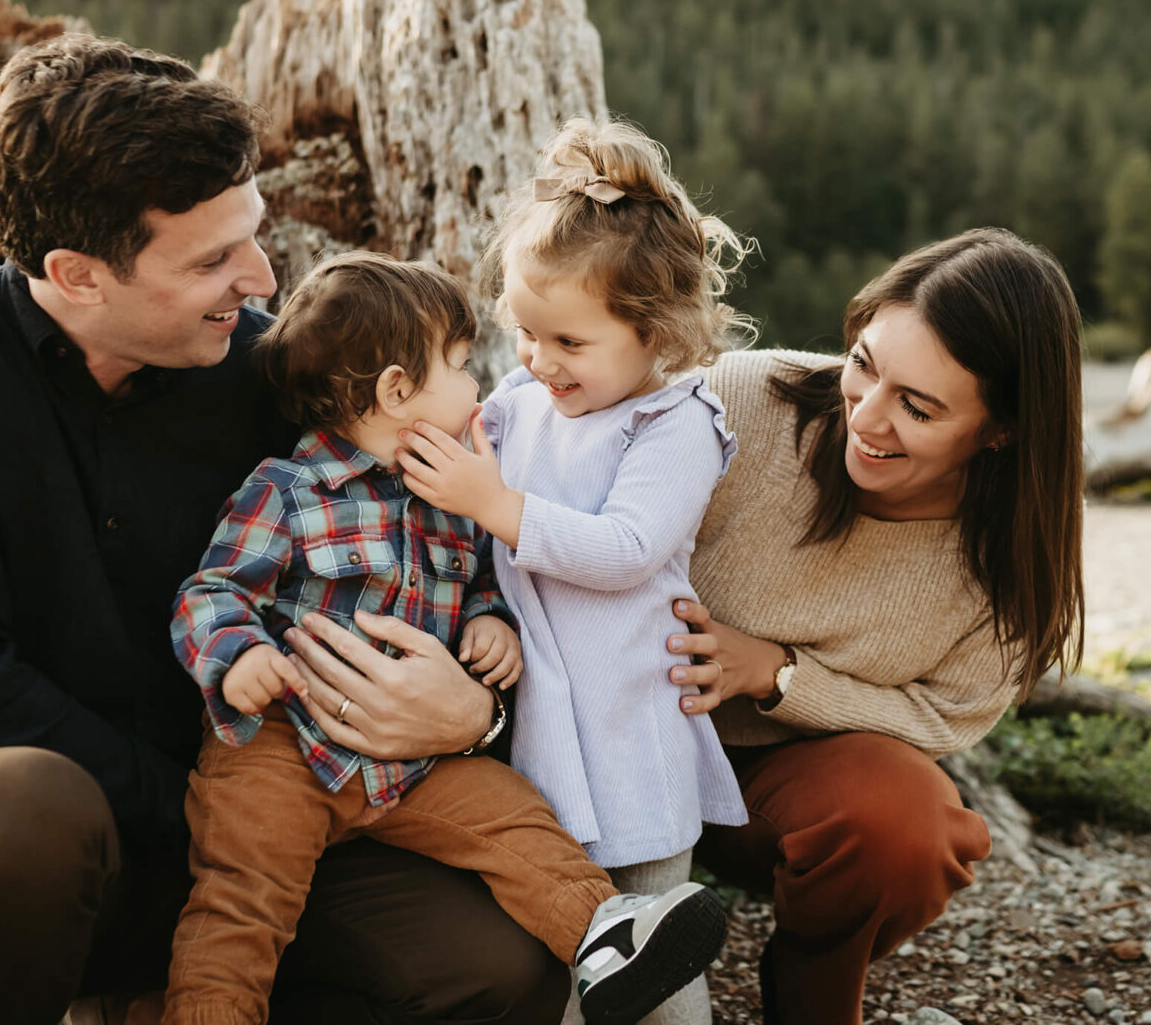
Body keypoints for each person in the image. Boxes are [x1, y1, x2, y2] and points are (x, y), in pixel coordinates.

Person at [0, 34, 568, 1025]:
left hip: (274, 819)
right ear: (77, 273)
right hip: (50, 844)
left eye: (252, 236)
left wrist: (468, 717)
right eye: (215, 257)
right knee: (13, 816)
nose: (261, 278)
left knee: (494, 965)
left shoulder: (278, 378)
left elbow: (426, 570)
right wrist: (205, 813)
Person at [163, 250, 727, 1025]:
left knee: (513, 816)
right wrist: (238, 658)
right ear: (398, 390)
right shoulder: (288, 493)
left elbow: (477, 581)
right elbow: (211, 591)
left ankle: (604, 933)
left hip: (411, 762)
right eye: (462, 365)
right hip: (282, 745)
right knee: (242, 898)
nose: (482, 385)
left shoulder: (451, 490)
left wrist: (488, 621)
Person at [667, 228, 1088, 1025]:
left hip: (770, 792)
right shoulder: (741, 399)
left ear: (999, 430)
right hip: (610, 729)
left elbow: (944, 716)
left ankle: (811, 991)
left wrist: (780, 674)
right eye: (864, 364)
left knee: (910, 827)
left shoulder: (1015, 552)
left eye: (919, 407)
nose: (867, 416)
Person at [397, 118, 751, 1025]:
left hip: (633, 734)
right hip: (538, 737)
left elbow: (628, 550)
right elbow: (471, 515)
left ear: (657, 332)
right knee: (559, 946)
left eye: (569, 343)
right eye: (525, 333)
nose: (539, 362)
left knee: (652, 957)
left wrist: (497, 504)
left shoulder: (676, 425)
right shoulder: (521, 402)